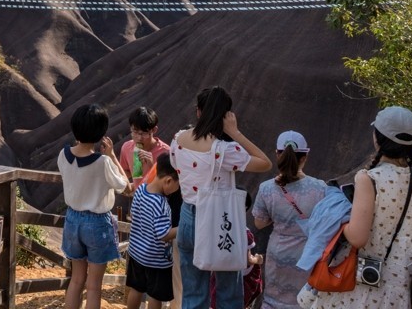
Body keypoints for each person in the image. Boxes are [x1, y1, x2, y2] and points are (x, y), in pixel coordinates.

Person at [311, 106, 412, 309]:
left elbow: (358, 237)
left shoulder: (369, 178)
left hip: (361, 287)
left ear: (377, 139)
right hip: (400, 288)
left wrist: (340, 220)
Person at [169, 86, 272, 309]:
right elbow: (265, 162)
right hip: (219, 221)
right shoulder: (225, 150)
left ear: (198, 112)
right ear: (227, 116)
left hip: (187, 218)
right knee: (228, 295)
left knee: (194, 294)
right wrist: (235, 132)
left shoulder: (177, 139)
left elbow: (176, 166)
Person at [58, 103, 129, 309]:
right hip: (97, 223)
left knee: (77, 280)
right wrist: (112, 156)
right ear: (101, 132)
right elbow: (124, 185)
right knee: (94, 285)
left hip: (72, 220)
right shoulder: (102, 162)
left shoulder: (63, 155)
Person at [252, 131, 327, 308]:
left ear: (278, 155)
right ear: (305, 157)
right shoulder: (320, 188)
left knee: (272, 301)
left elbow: (259, 223)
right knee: (305, 301)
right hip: (308, 255)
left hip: (278, 253)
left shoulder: (266, 189)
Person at [126, 153, 181, 309]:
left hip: (136, 252)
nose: (176, 190)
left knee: (136, 289)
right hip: (156, 260)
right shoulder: (161, 203)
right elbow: (163, 235)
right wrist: (184, 227)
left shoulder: (141, 190)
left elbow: (134, 215)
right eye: (177, 186)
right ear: (169, 180)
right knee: (155, 296)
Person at [120, 106, 171, 195]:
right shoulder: (127, 147)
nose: (139, 138)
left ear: (154, 130)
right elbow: (126, 171)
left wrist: (152, 167)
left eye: (144, 133)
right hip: (137, 201)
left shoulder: (166, 153)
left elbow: (169, 186)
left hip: (156, 203)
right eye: (135, 132)